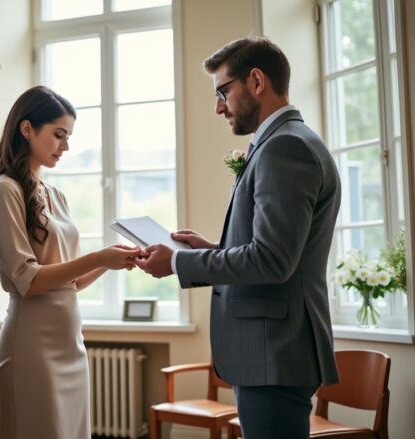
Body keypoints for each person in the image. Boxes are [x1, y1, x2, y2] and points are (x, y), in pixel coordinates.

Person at [135, 37, 341, 439]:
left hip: (275, 351)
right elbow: (281, 252)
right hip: (274, 350)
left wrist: (177, 262)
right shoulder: (286, 142)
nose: (218, 106)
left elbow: (272, 261)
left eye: (223, 91)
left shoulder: (284, 147)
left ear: (257, 81)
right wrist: (213, 250)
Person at [0, 85, 141, 439]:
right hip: (32, 346)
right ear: (27, 130)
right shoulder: (5, 191)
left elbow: (73, 282)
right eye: (58, 135)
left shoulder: (56, 195)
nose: (66, 146)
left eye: (68, 136)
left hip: (70, 341)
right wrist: (99, 255)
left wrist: (112, 261)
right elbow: (28, 279)